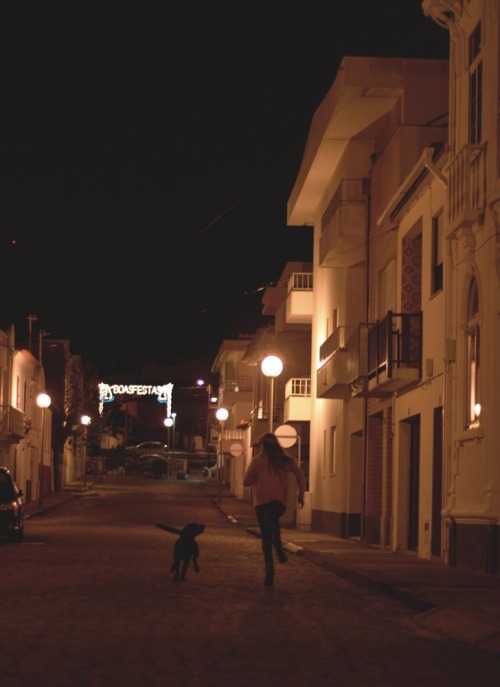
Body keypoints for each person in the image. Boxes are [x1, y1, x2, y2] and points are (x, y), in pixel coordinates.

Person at [243, 432, 306, 587]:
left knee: (266, 535)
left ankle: (269, 567)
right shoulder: (285, 460)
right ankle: (278, 547)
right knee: (273, 522)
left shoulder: (258, 461)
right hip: (279, 504)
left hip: (262, 503)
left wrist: (257, 480)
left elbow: (246, 481)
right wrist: (301, 494)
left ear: (263, 446)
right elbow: (299, 475)